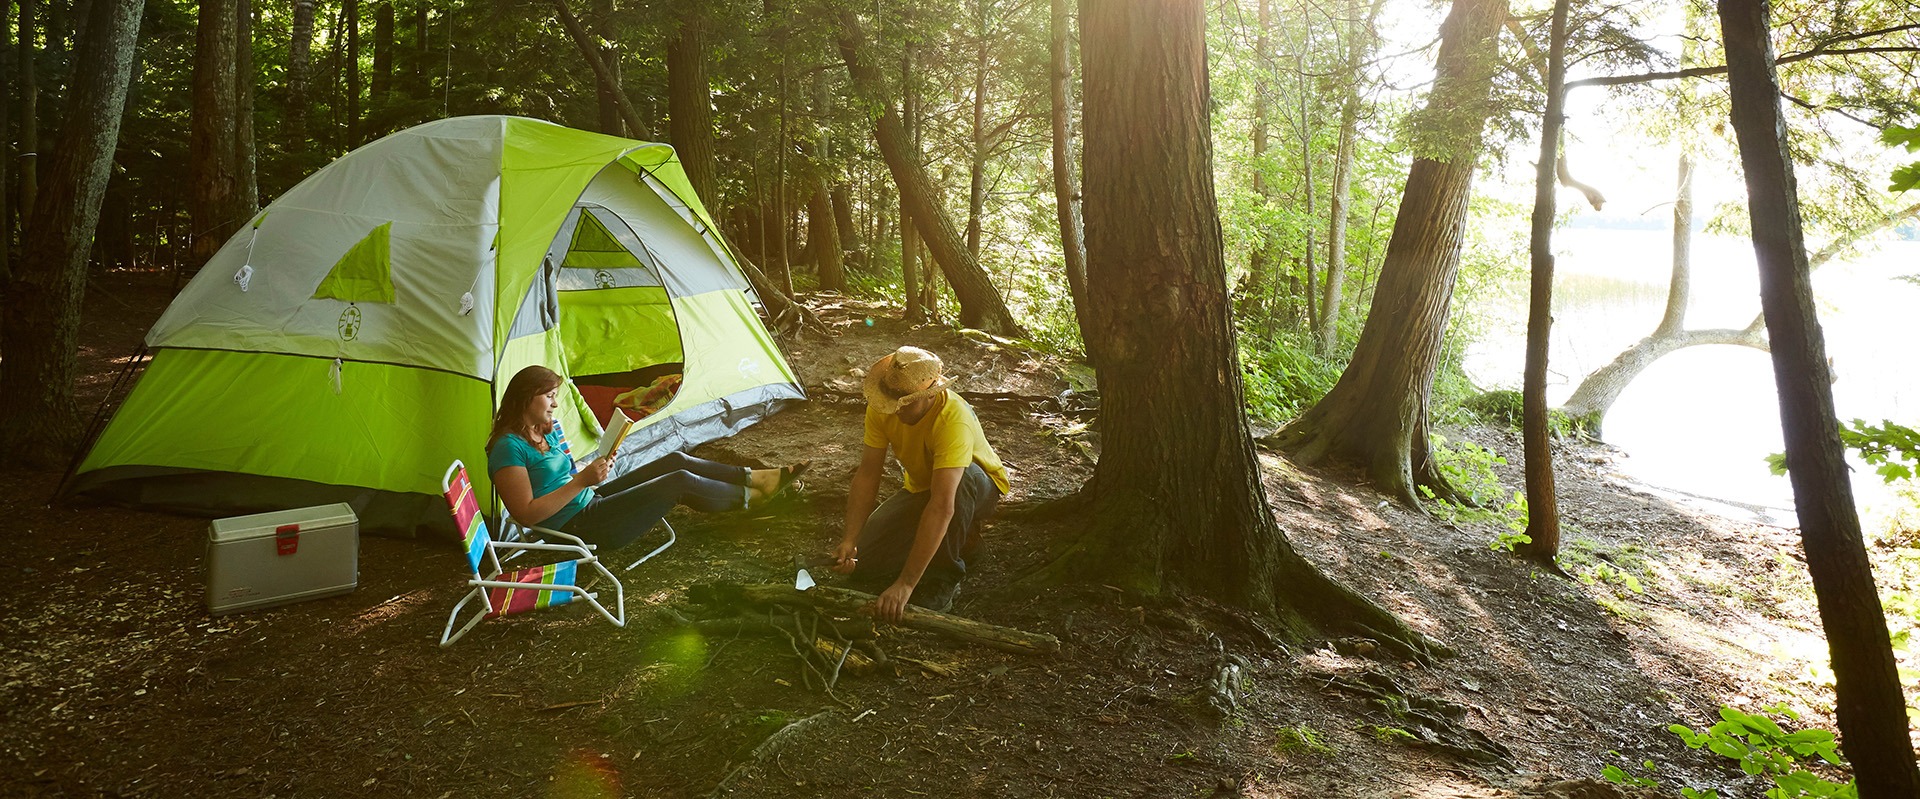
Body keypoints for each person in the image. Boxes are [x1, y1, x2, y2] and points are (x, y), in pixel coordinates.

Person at [487, 365, 805, 551]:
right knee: (677, 482)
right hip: (579, 529)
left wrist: (589, 469)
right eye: (549, 396)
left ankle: (756, 478)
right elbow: (527, 516)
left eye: (555, 396)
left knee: (675, 459)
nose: (555, 404)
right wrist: (582, 481)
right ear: (525, 398)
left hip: (589, 499)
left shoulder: (547, 428)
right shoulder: (507, 448)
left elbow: (566, 472)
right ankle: (760, 499)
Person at [832, 346, 1010, 622]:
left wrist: (905, 585)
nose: (896, 410)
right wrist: (850, 540)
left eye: (906, 403)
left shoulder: (952, 419)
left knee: (959, 483)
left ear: (929, 395)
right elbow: (868, 474)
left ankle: (945, 575)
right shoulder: (883, 406)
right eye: (893, 402)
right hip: (922, 488)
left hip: (977, 486)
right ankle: (954, 542)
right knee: (866, 562)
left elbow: (942, 505)